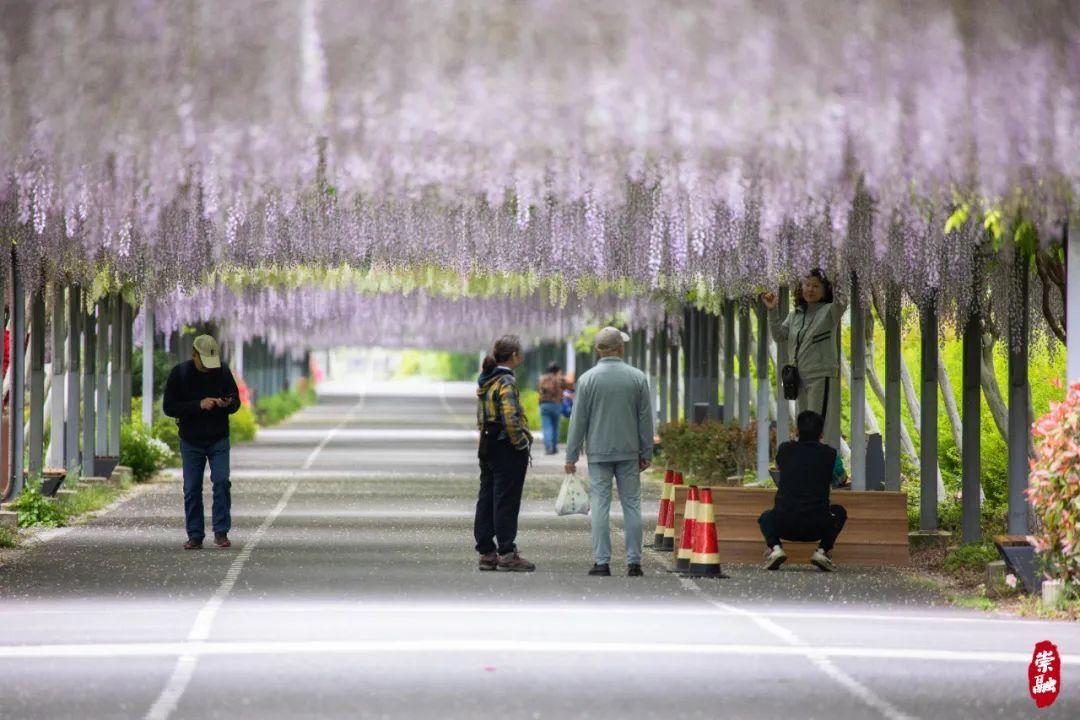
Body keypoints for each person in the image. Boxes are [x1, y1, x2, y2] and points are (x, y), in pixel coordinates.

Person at [564, 327, 654, 577]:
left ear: (597, 350)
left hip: (599, 453)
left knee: (600, 505)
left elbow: (578, 420)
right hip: (629, 452)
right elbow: (645, 419)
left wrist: (571, 456)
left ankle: (602, 562)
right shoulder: (637, 377)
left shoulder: (587, 379)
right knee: (632, 505)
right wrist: (647, 451)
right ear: (621, 348)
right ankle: (634, 563)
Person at [162, 334, 241, 550]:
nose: (208, 367)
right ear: (194, 355)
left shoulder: (222, 371)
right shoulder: (180, 373)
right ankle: (195, 535)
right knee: (192, 488)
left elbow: (236, 402)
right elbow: (169, 407)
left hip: (218, 437)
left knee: (222, 481)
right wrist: (198, 405)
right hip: (191, 439)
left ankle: (221, 531)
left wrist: (227, 403)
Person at [763, 268, 846, 450]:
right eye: (807, 285)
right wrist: (772, 311)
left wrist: (837, 272)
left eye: (816, 286)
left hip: (821, 377)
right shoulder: (795, 315)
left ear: (826, 290)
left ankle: (825, 470)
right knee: (805, 427)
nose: (810, 289)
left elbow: (843, 300)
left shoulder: (829, 311)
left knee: (819, 426)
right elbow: (779, 335)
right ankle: (808, 467)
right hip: (799, 379)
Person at [474, 335, 535, 572]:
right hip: (505, 447)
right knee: (506, 500)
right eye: (520, 353)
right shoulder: (506, 381)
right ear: (514, 356)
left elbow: (482, 418)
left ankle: (486, 552)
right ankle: (507, 552)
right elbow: (510, 417)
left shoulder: (487, 380)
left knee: (487, 498)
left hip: (488, 444)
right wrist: (521, 443)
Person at [758, 411, 847, 572]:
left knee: (765, 517)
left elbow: (780, 469)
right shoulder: (830, 454)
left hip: (784, 524)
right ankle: (821, 551)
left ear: (797, 431)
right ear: (821, 433)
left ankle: (776, 549)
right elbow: (840, 480)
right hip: (817, 525)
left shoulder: (785, 450)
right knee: (839, 512)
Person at [537, 362, 564, 455]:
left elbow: (539, 391)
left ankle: (548, 447)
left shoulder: (542, 379)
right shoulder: (558, 379)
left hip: (544, 405)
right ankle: (554, 447)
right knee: (555, 427)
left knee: (546, 427)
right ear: (557, 371)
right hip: (556, 405)